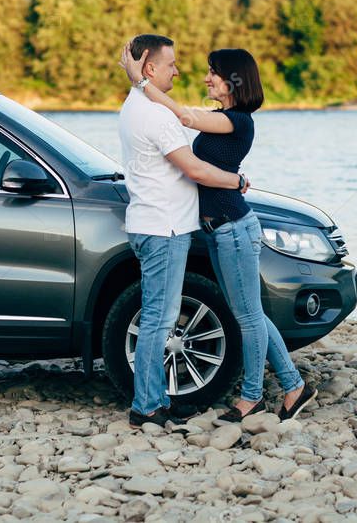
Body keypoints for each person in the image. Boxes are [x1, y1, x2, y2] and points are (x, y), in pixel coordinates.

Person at [121, 43, 317, 422]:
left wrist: (138, 82)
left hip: (234, 229)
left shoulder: (238, 121)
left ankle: (251, 398)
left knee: (247, 317)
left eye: (214, 72)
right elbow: (185, 120)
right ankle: (294, 387)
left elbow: (183, 116)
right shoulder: (220, 116)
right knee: (252, 314)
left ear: (233, 82)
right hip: (218, 231)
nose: (205, 77)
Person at [118, 34, 251, 429]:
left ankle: (155, 399)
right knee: (158, 320)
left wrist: (135, 81)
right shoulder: (155, 115)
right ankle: (146, 408)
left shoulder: (133, 105)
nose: (178, 70)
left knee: (158, 316)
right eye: (171, 63)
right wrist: (236, 181)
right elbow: (193, 169)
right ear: (149, 68)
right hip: (164, 228)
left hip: (151, 223)